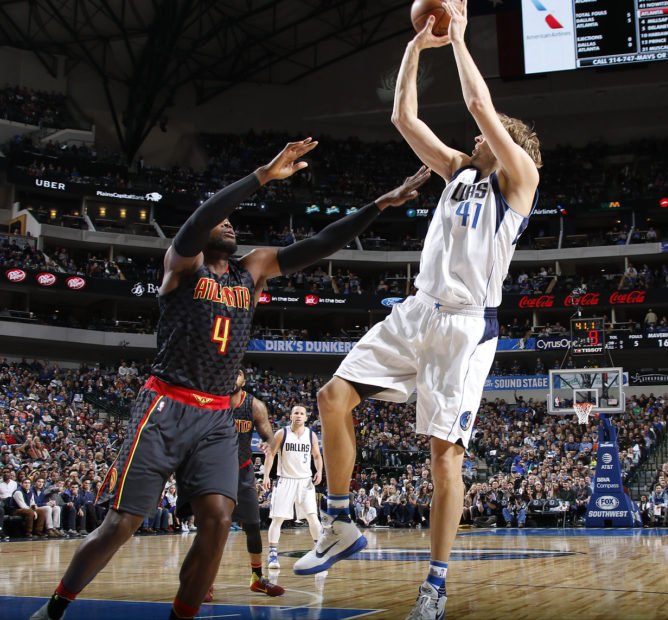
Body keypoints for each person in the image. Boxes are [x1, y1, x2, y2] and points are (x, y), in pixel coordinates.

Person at [30, 139, 431, 620]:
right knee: (122, 523)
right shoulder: (183, 266)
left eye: (232, 222)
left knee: (220, 520)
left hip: (218, 415)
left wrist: (379, 205)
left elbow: (320, 245)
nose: (227, 224)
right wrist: (260, 176)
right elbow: (200, 220)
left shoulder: (253, 269)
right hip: (166, 404)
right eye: (221, 220)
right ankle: (55, 607)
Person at [293, 3, 542, 618]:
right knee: (332, 397)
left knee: (443, 457)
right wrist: (418, 48)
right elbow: (403, 116)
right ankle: (342, 521)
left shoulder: (521, 178)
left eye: (495, 131)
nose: (481, 132)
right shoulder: (458, 169)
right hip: (417, 310)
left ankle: (435, 583)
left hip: (465, 326)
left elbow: (482, 107)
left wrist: (458, 38)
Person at [203, 369, 283, 601]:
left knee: (252, 525)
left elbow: (268, 434)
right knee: (213, 527)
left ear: (243, 380)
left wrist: (269, 445)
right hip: (215, 470)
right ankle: (205, 582)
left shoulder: (254, 406)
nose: (231, 377)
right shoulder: (213, 401)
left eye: (236, 373)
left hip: (242, 470)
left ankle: (257, 579)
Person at [263, 403, 323, 570]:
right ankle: (273, 554)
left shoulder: (311, 435)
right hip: (286, 480)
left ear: (306, 417)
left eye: (301, 413)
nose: (298, 415)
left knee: (313, 517)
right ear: (290, 416)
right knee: (277, 519)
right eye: (295, 412)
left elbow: (317, 456)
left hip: (305, 481)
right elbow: (271, 454)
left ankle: (319, 552)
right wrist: (266, 475)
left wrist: (319, 471)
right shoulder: (282, 433)